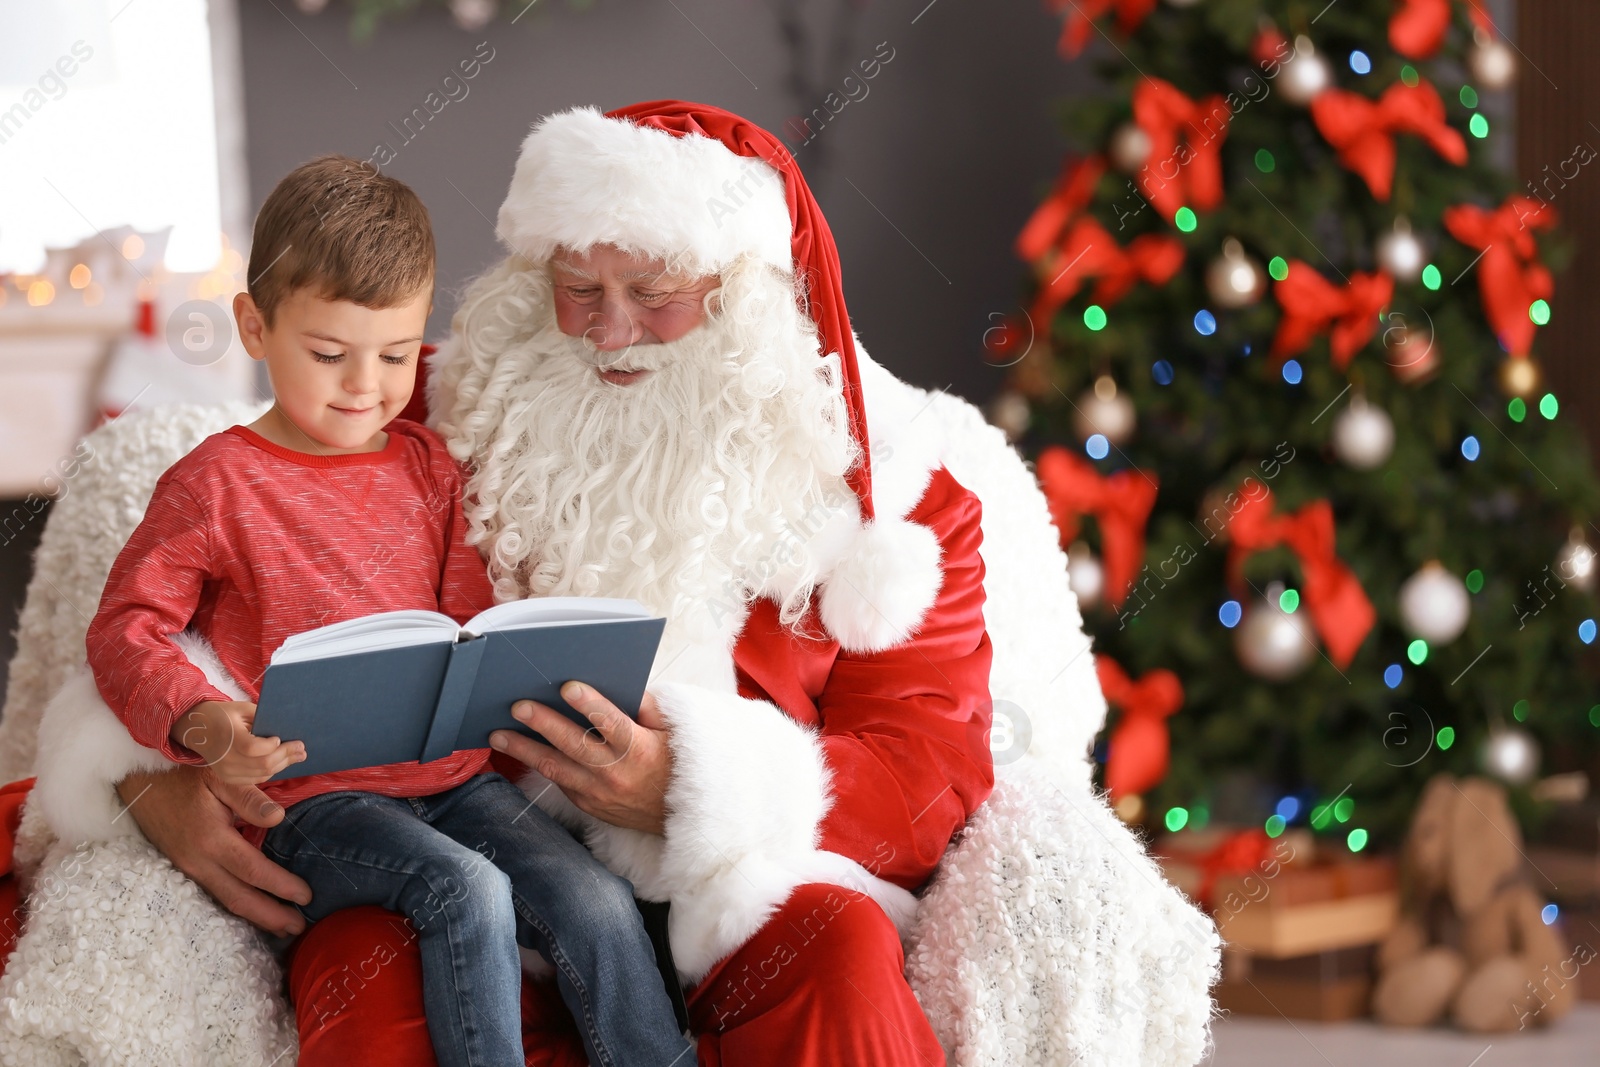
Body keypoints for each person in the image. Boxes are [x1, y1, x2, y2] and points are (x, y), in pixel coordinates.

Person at [96, 101, 996, 1065]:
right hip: (445, 849)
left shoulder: (886, 494)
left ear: (747, 289)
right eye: (577, 286)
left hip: (736, 899)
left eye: (652, 290)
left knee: (846, 957)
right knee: (371, 964)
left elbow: (928, 770)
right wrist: (157, 775)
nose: (610, 331)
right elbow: (166, 616)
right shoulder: (433, 401)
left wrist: (694, 790)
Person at [83, 155, 693, 1067]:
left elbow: (469, 629)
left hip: (457, 781)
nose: (364, 384)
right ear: (255, 326)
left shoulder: (428, 467)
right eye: (329, 354)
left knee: (598, 901)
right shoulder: (214, 483)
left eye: (398, 355)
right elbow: (125, 627)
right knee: (466, 892)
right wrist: (205, 722)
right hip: (311, 802)